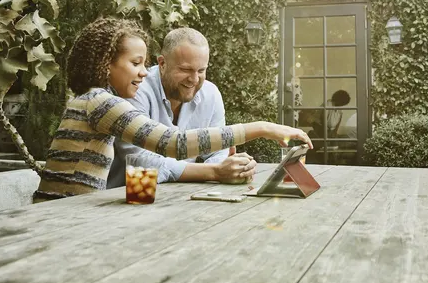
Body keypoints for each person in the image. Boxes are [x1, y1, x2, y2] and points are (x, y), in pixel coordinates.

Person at [34, 18, 312, 201]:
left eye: (144, 65)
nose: (144, 73)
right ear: (107, 64)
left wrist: (226, 169)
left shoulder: (98, 100)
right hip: (61, 217)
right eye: (136, 63)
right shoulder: (101, 103)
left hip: (85, 210)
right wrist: (262, 128)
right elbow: (172, 144)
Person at [108, 27, 259, 188]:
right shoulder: (135, 90)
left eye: (201, 70)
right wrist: (214, 171)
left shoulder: (211, 94)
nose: (194, 79)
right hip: (124, 200)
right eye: (186, 70)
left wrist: (233, 168)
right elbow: (138, 159)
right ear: (162, 63)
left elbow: (219, 150)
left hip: (181, 197)